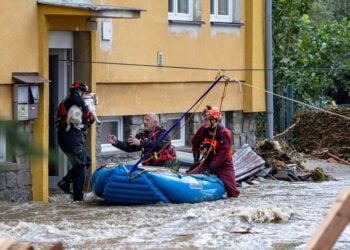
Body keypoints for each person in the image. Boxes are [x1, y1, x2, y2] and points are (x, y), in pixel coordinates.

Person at [187, 106, 240, 198]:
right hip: (207, 162)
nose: (204, 122)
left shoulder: (225, 134)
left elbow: (222, 154)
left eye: (206, 120)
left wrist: (210, 168)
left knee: (233, 192)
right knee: (190, 175)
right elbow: (195, 143)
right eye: (204, 119)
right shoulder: (203, 130)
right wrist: (196, 159)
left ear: (214, 121)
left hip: (224, 165)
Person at [56, 81, 95, 201]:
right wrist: (86, 109)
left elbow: (84, 123)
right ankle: (78, 196)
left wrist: (89, 120)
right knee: (81, 165)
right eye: (84, 93)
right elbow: (78, 99)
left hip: (72, 137)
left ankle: (66, 182)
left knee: (86, 161)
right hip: (69, 136)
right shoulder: (73, 98)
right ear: (79, 90)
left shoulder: (72, 102)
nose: (84, 96)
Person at [107, 113, 180, 171]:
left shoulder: (163, 133)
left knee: (175, 160)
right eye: (144, 120)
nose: (144, 122)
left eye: (147, 120)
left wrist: (140, 143)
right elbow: (128, 148)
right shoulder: (141, 136)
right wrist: (116, 142)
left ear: (155, 122)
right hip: (149, 167)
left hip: (164, 165)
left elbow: (159, 144)